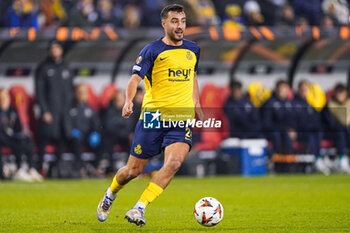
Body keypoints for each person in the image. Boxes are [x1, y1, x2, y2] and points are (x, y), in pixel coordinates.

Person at [96, 4, 202, 227]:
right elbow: (134, 79)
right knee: (133, 171)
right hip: (153, 117)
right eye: (175, 21)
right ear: (164, 24)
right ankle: (110, 194)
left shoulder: (193, 49)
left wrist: (197, 103)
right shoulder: (151, 50)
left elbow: (192, 76)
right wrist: (127, 100)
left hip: (180, 118)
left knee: (173, 164)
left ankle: (139, 208)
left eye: (182, 21)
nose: (180, 26)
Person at [35, 40, 74, 177]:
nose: (54, 51)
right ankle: (39, 168)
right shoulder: (43, 68)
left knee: (62, 139)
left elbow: (71, 90)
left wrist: (70, 109)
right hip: (50, 112)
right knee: (44, 139)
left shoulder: (67, 67)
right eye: (52, 48)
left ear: (61, 50)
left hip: (64, 113)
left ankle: (56, 169)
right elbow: (39, 91)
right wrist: (44, 110)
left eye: (57, 48)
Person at [0, 89, 42, 182]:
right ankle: (19, 170)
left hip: (11, 137)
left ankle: (31, 168)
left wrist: (23, 133)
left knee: (27, 140)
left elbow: (18, 127)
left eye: (5, 98)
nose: (3, 100)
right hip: (2, 138)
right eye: (1, 98)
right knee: (18, 144)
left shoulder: (13, 111)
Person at [69, 83, 100, 178]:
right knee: (77, 143)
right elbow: (66, 122)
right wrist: (71, 131)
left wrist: (95, 133)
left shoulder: (89, 108)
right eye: (80, 92)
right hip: (75, 136)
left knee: (102, 142)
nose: (83, 94)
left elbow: (95, 123)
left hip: (87, 136)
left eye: (85, 92)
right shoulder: (70, 107)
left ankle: (96, 167)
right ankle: (80, 169)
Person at [292, 81, 324, 173]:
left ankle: (318, 159)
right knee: (311, 136)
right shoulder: (294, 103)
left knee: (318, 133)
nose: (304, 91)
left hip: (311, 130)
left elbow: (316, 120)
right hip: (300, 132)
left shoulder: (311, 103)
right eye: (302, 89)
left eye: (306, 89)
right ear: (298, 90)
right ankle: (315, 161)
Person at [262, 80, 296, 153]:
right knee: (278, 135)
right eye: (281, 89)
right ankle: (277, 159)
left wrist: (292, 128)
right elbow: (266, 122)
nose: (283, 91)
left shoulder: (290, 103)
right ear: (277, 89)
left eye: (285, 89)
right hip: (273, 130)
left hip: (285, 130)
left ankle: (289, 159)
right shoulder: (270, 103)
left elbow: (293, 119)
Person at [326, 84, 350, 173]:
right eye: (338, 93)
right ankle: (342, 160)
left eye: (341, 93)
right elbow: (330, 121)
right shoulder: (330, 105)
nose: (339, 96)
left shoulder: (348, 103)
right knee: (340, 133)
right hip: (335, 131)